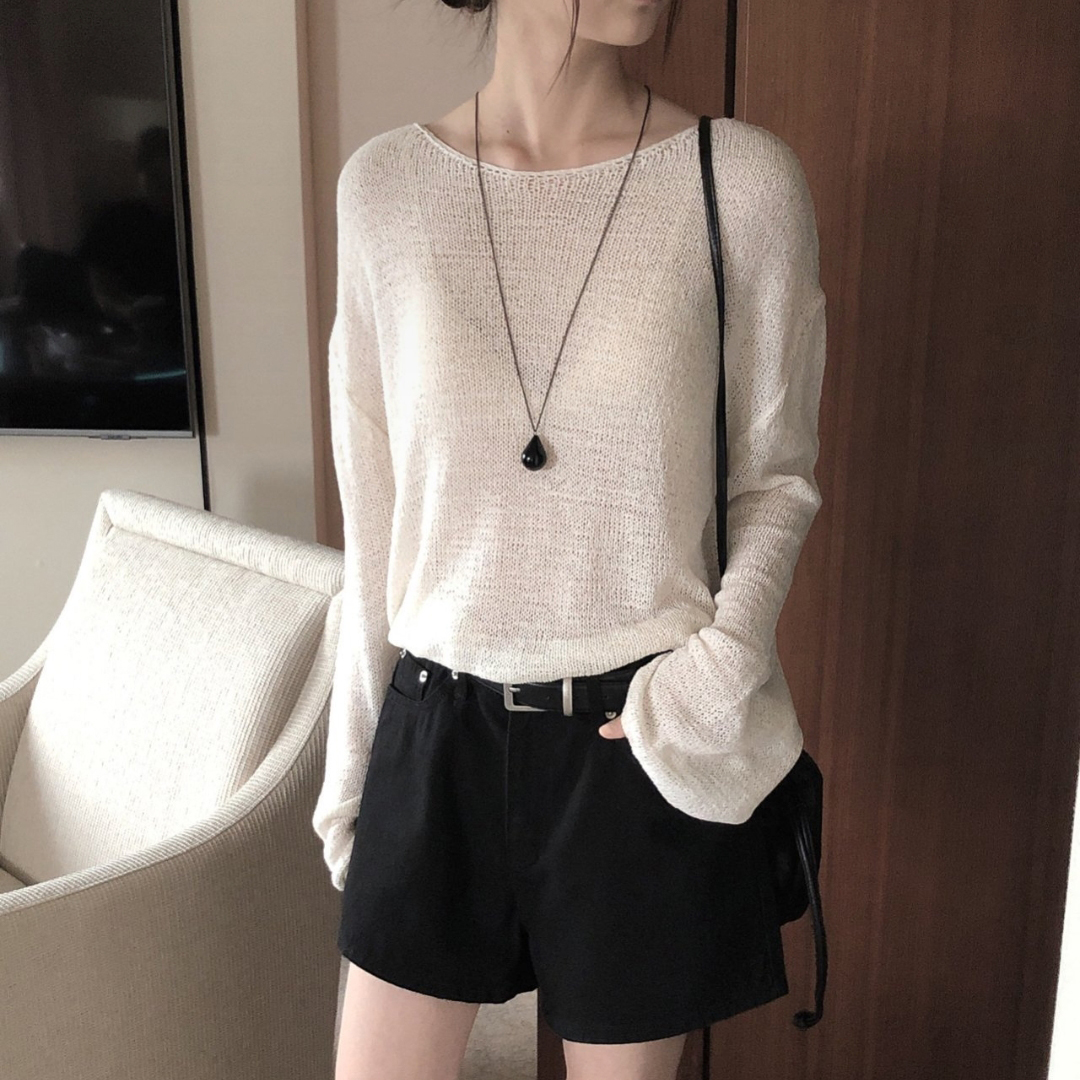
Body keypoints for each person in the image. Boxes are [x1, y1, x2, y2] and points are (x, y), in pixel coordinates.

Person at [313, 0, 828, 1077]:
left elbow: (773, 480)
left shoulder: (739, 184)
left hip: (637, 744)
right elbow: (375, 516)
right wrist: (356, 773)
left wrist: (715, 673)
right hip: (435, 736)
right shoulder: (385, 192)